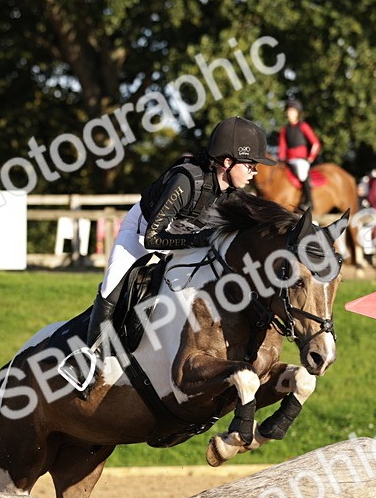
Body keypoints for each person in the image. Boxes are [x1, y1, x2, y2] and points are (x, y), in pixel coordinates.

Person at [62, 116, 276, 393]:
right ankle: (88, 359)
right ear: (227, 163)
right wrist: (199, 238)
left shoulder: (232, 194)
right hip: (141, 234)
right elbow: (153, 237)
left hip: (184, 238)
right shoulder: (185, 181)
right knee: (113, 284)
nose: (254, 172)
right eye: (250, 165)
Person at [277, 99, 321, 211]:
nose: (289, 113)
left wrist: (311, 158)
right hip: (288, 160)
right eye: (288, 111)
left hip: (301, 160)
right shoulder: (284, 129)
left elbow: (315, 143)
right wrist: (280, 159)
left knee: (302, 174)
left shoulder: (303, 126)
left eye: (292, 111)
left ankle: (309, 201)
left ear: (297, 112)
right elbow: (282, 146)